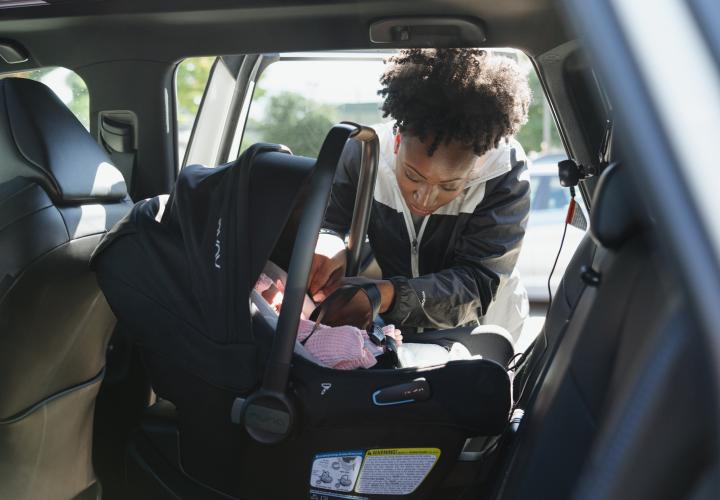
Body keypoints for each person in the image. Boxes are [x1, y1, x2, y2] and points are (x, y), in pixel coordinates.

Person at [308, 48, 532, 341]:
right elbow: (330, 221)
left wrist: (384, 295)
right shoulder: (362, 153)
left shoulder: (504, 173)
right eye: (413, 176)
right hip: (397, 327)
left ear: (479, 161)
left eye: (450, 185)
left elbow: (477, 283)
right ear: (398, 142)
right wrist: (328, 244)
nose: (424, 199)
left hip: (484, 327)